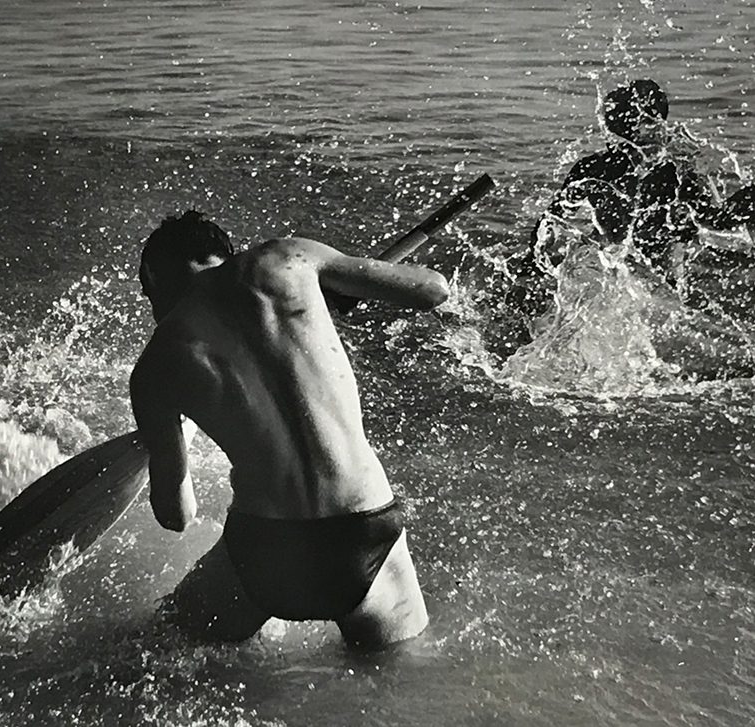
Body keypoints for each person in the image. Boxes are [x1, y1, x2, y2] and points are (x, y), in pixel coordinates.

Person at [129, 210, 449, 650]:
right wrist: (331, 283)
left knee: (161, 643)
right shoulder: (289, 258)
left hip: (266, 546)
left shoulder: (154, 368)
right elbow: (433, 289)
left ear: (153, 277)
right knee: (400, 686)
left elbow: (177, 516)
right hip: (367, 529)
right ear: (225, 253)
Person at [505, 79, 755, 335]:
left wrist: (527, 273)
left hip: (611, 282)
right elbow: (714, 221)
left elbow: (549, 226)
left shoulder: (591, 168)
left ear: (609, 125)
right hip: (661, 290)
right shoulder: (676, 170)